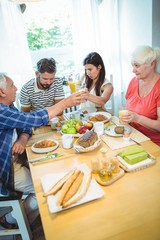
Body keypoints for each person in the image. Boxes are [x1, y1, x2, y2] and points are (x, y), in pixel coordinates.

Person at [0, 73, 87, 230]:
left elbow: (24, 121)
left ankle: (33, 213)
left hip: (15, 157)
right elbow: (32, 119)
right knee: (43, 188)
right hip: (5, 168)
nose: (16, 88)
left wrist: (22, 139)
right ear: (1, 92)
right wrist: (65, 103)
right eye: (12, 85)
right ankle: (13, 220)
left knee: (48, 169)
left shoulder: (7, 106)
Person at [121, 45, 160, 146]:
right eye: (132, 66)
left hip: (153, 144)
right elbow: (128, 109)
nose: (133, 70)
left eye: (137, 66)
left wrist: (137, 118)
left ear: (152, 64)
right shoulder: (133, 82)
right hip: (132, 138)